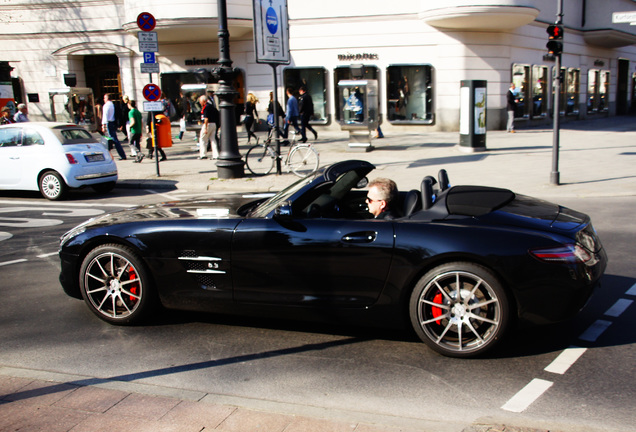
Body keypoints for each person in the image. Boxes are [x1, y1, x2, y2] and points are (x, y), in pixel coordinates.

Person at [101, 94, 126, 160]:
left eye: (104, 98)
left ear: (107, 98)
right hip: (113, 122)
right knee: (111, 140)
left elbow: (105, 116)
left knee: (113, 140)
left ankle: (122, 155)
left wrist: (103, 126)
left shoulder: (106, 106)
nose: (104, 99)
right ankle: (111, 155)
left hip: (109, 123)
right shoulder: (113, 105)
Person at [198, 94, 220, 159]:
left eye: (200, 101)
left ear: (203, 101)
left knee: (202, 139)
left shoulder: (206, 107)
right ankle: (216, 155)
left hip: (208, 124)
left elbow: (206, 118)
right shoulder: (211, 106)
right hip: (214, 124)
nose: (200, 103)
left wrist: (205, 128)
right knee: (213, 140)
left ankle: (203, 154)